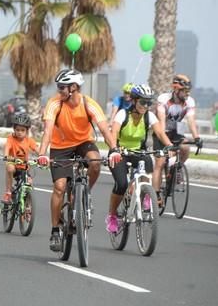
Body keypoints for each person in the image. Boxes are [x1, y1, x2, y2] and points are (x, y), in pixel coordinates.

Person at [37, 69, 121, 252]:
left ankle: (83, 194)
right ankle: (54, 230)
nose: (59, 91)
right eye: (58, 87)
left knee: (96, 163)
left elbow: (105, 130)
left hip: (84, 143)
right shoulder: (54, 104)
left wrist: (114, 149)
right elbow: (48, 131)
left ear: (73, 88)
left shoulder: (89, 104)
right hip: (61, 147)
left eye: (62, 87)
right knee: (59, 187)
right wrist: (42, 153)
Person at [106, 84, 173, 234]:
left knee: (148, 164)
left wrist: (169, 145)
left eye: (149, 103)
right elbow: (113, 133)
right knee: (121, 184)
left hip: (139, 152)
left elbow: (160, 133)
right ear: (134, 101)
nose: (146, 106)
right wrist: (114, 149)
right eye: (143, 102)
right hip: (120, 153)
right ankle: (112, 216)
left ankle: (145, 194)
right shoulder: (123, 114)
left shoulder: (149, 116)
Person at [151, 74, 203, 203]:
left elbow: (191, 120)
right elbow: (162, 122)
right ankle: (156, 194)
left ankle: (177, 168)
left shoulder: (189, 101)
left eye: (188, 91)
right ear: (176, 90)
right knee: (160, 162)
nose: (187, 94)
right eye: (185, 91)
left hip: (176, 131)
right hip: (161, 132)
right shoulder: (164, 99)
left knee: (185, 148)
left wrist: (197, 137)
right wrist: (166, 143)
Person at [2, 112, 38, 203]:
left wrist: (42, 157)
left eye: (22, 130)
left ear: (27, 131)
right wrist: (6, 156)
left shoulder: (29, 140)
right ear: (14, 129)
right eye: (17, 130)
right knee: (9, 168)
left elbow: (37, 149)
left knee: (28, 184)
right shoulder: (11, 139)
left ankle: (25, 206)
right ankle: (8, 193)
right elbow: (7, 148)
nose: (20, 132)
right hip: (13, 164)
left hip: (24, 167)